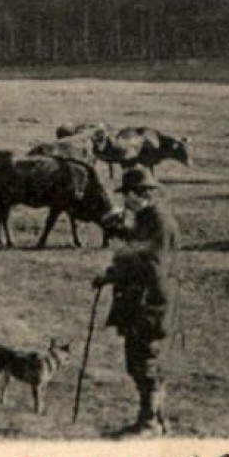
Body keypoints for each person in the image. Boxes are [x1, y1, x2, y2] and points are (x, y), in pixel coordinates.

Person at [92, 167, 179, 436]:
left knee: (145, 361)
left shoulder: (159, 223)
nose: (124, 201)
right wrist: (110, 275)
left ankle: (150, 423)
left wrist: (122, 262)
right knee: (138, 360)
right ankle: (157, 419)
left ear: (137, 195)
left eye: (127, 195)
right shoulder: (145, 219)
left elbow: (153, 267)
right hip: (141, 301)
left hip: (150, 302)